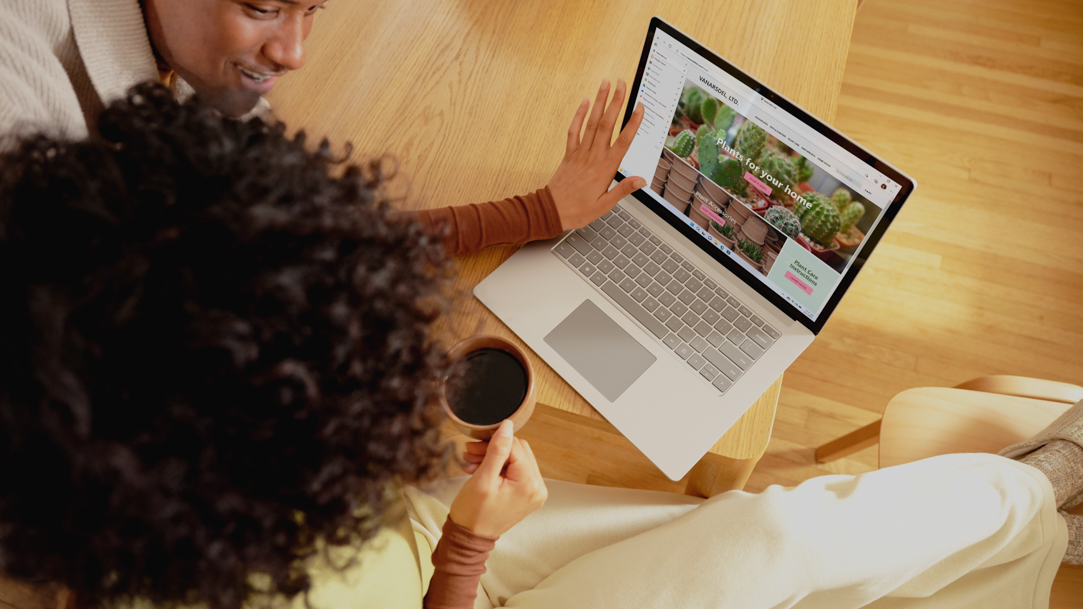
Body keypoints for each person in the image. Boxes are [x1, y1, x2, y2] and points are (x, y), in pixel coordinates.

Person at [0, 86, 1078, 609]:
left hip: (426, 540)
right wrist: (465, 555)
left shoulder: (84, 335)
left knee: (766, 531)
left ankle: (1024, 519)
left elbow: (275, 252)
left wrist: (532, 209)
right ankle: (1036, 505)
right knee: (782, 546)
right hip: (451, 583)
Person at [0, 0, 647, 257]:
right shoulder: (20, 108)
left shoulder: (196, 60)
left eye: (312, 9)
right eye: (262, 7)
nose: (295, 53)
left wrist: (536, 210)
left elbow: (294, 232)